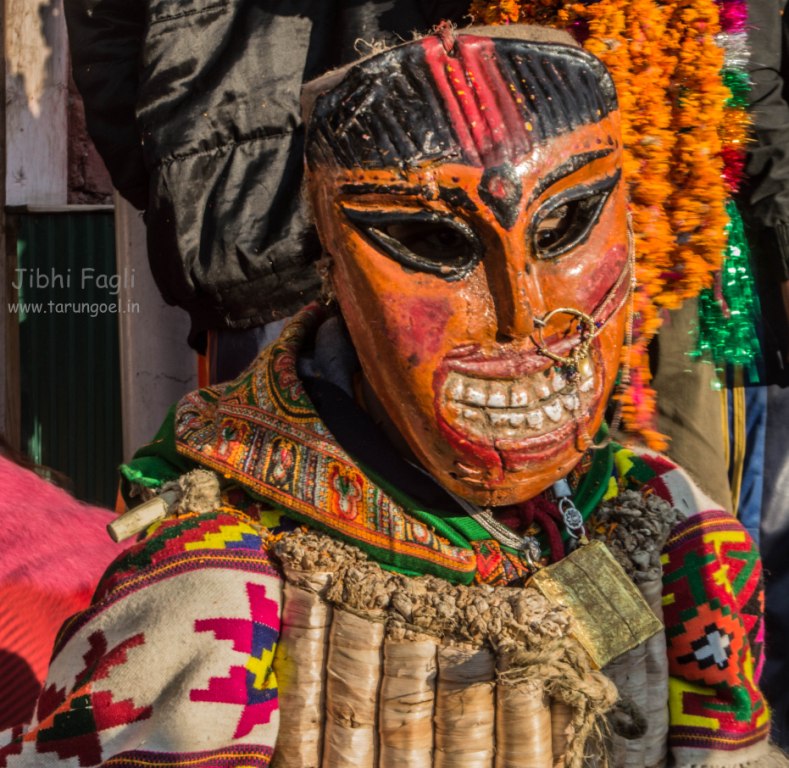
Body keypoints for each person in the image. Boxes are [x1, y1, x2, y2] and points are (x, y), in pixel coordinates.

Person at [1, 26, 775, 767]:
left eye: (565, 226)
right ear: (330, 263)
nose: (523, 318)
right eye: (434, 243)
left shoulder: (667, 523)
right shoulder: (213, 587)